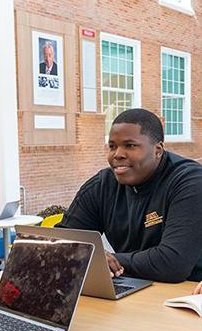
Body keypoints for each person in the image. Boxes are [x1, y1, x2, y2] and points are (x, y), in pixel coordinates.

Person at [58, 108, 202, 283]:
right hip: (131, 286)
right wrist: (87, 255)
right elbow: (59, 243)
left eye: (130, 145)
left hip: (186, 295)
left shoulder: (189, 182)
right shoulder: (102, 185)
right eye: (112, 146)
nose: (117, 154)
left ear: (158, 150)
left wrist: (104, 259)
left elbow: (173, 263)